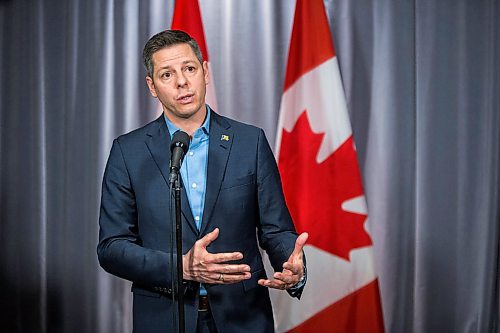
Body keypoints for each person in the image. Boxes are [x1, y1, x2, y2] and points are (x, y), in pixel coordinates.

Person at [97, 29, 308, 333]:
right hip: (163, 318)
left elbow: (276, 230)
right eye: (167, 74)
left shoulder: (250, 142)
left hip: (242, 318)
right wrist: (180, 267)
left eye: (189, 69)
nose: (182, 82)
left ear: (205, 71)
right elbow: (112, 247)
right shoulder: (128, 152)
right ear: (152, 86)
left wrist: (292, 266)